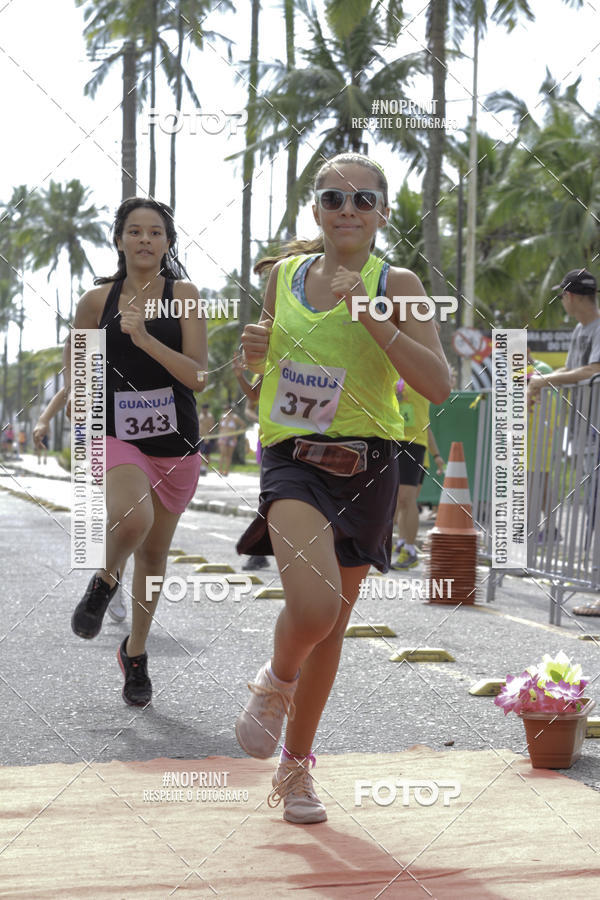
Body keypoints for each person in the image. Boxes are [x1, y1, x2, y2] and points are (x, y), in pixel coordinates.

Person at [235, 152, 450, 824]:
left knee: (333, 628)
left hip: (370, 464)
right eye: (333, 198)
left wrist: (376, 320)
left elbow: (438, 385)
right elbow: (261, 388)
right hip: (293, 458)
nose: (348, 209)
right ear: (317, 211)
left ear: (383, 212)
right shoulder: (283, 278)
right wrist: (250, 367)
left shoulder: (400, 282)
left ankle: (296, 771)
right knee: (313, 608)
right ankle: (275, 681)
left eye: (363, 198)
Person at [66, 197, 207, 704]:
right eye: (135, 231)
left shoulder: (185, 295)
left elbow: (198, 375)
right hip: (117, 435)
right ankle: (103, 583)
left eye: (155, 233)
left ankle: (136, 653)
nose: (145, 240)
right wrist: (79, 411)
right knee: (130, 522)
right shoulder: (94, 301)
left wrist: (146, 340)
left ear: (168, 243)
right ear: (119, 239)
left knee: (153, 554)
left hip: (176, 441)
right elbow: (78, 372)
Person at [527, 269, 600, 615]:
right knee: (592, 513)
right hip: (585, 434)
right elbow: (574, 377)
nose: (561, 301)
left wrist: (542, 381)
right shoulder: (578, 331)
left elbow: (591, 371)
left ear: (569, 296)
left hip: (595, 431)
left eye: (561, 296)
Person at [33, 386, 129, 622]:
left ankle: (110, 578)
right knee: (120, 512)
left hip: (140, 435)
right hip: (103, 436)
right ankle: (111, 582)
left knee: (127, 515)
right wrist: (44, 420)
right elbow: (71, 388)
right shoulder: (93, 353)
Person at [391, 379, 445, 569]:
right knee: (399, 500)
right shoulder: (393, 373)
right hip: (392, 438)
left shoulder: (419, 376)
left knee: (406, 499)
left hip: (413, 444)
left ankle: (410, 549)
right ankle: (400, 543)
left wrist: (436, 455)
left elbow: (426, 424)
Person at [232, 352, 268, 571]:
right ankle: (259, 552)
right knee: (268, 497)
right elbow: (251, 404)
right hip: (271, 440)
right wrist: (239, 376)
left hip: (306, 440)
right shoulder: (266, 371)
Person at [217, 407, 244, 476]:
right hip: (223, 437)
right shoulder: (222, 417)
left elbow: (243, 425)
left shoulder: (235, 417)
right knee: (222, 454)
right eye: (226, 409)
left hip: (232, 438)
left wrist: (236, 434)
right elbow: (220, 428)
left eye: (228, 409)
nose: (227, 411)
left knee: (229, 455)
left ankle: (226, 471)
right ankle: (220, 470)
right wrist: (219, 436)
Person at [198, 403, 216, 475]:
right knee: (200, 453)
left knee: (207, 454)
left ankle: (206, 468)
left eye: (205, 408)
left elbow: (211, 428)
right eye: (203, 408)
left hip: (207, 437)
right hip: (200, 437)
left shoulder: (210, 417)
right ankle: (200, 467)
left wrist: (208, 437)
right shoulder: (200, 416)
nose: (204, 410)